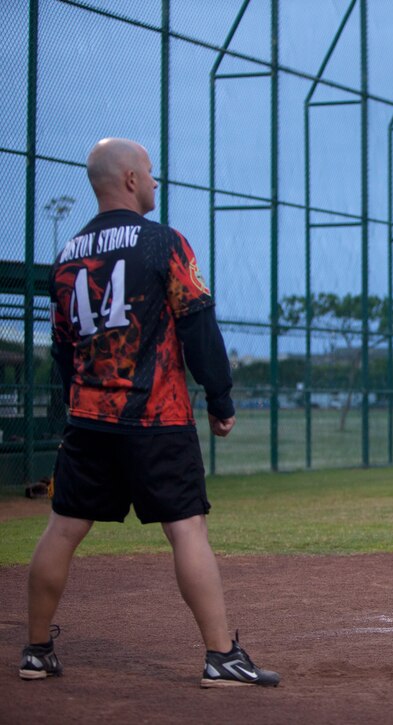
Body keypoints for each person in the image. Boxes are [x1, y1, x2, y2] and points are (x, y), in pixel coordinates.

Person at [20, 138, 278, 687]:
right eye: (152, 174)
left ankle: (36, 651)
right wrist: (221, 398)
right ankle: (221, 656)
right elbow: (198, 326)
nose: (157, 183)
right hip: (156, 418)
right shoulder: (163, 243)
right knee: (187, 530)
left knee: (63, 529)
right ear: (132, 180)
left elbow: (62, 348)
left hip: (88, 419)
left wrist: (79, 401)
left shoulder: (68, 256)